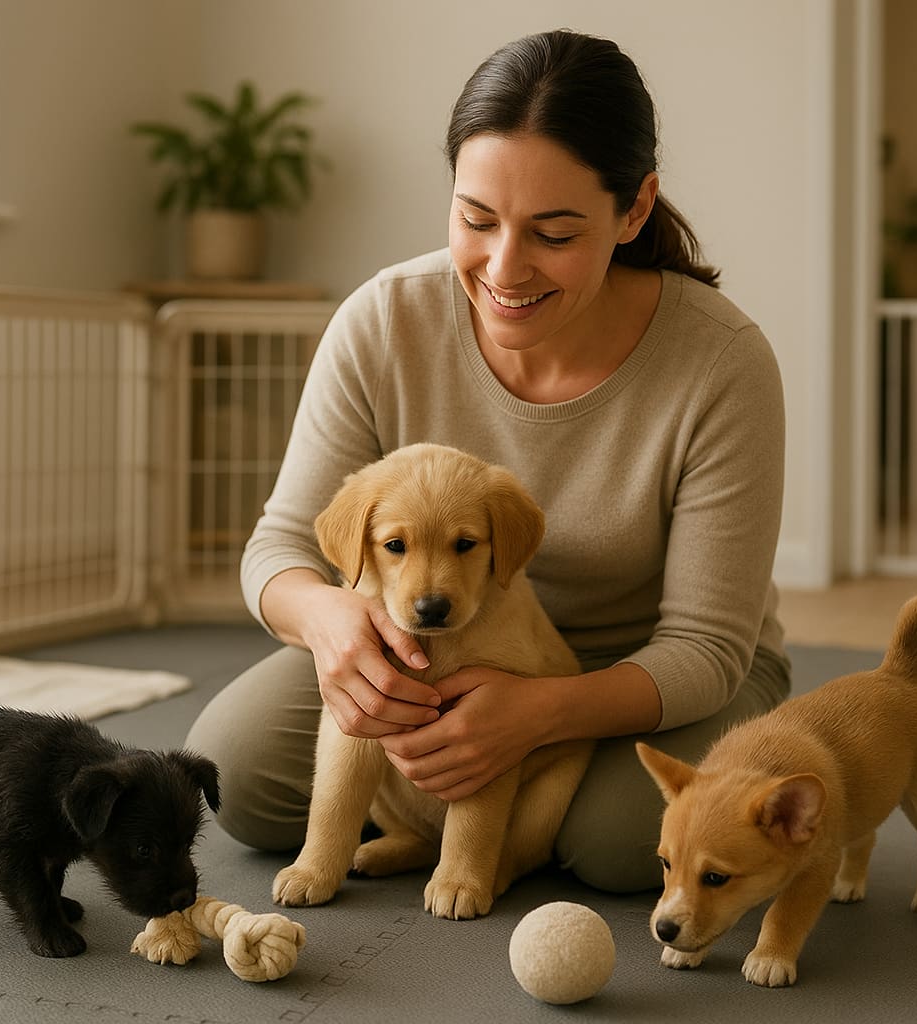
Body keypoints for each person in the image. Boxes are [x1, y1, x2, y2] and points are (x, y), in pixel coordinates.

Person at [185, 28, 790, 893]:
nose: (505, 267)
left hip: (648, 667)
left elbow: (706, 646)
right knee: (233, 775)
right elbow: (280, 547)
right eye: (477, 219)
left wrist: (537, 713)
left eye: (554, 233)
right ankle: (421, 808)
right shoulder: (384, 320)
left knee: (623, 844)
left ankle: (471, 809)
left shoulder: (720, 362)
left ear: (635, 209)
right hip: (417, 647)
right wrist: (331, 627)